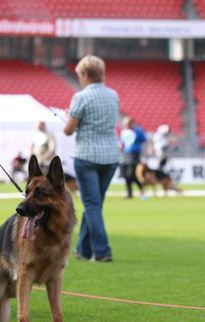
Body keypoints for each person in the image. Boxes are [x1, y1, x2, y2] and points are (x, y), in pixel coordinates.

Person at [63, 54, 119, 263]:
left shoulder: (81, 97)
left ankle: (102, 250)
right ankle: (83, 249)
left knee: (92, 204)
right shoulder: (113, 95)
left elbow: (69, 130)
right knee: (94, 203)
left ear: (85, 74)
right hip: (111, 156)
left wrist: (67, 119)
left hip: (87, 155)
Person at [119, 116, 147, 199]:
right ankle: (129, 193)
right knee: (126, 175)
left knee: (132, 174)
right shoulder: (124, 131)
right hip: (125, 154)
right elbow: (122, 142)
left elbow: (144, 140)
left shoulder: (138, 130)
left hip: (134, 154)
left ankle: (142, 191)